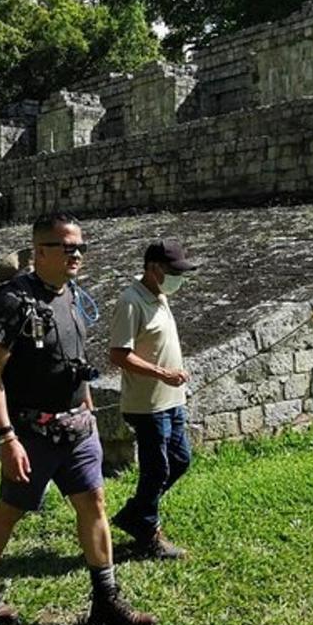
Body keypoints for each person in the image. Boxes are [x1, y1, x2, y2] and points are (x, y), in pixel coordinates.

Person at [0, 211, 156, 625]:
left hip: (77, 427)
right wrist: (6, 438)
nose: (78, 254)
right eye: (68, 247)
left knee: (94, 504)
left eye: (81, 246)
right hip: (31, 432)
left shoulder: (72, 296)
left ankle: (106, 602)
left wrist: (86, 408)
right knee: (11, 510)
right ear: (40, 251)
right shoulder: (12, 302)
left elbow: (73, 362)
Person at [108, 239, 198, 559]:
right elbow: (119, 354)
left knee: (180, 460)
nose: (177, 278)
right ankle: (148, 534)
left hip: (171, 399)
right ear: (152, 268)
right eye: (172, 271)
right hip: (147, 404)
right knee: (156, 469)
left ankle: (136, 514)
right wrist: (161, 373)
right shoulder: (131, 301)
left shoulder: (159, 296)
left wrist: (173, 378)